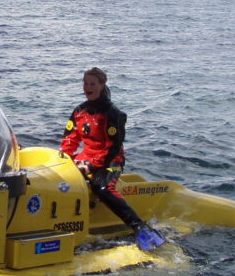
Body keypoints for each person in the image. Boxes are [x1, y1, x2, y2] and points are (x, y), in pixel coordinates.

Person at [60, 67, 165, 250]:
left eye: (92, 84)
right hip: (87, 156)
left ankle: (139, 227)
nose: (88, 87)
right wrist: (65, 159)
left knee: (102, 187)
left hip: (110, 160)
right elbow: (70, 138)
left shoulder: (113, 114)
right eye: (85, 83)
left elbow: (113, 148)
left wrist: (91, 167)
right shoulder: (79, 111)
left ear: (102, 86)